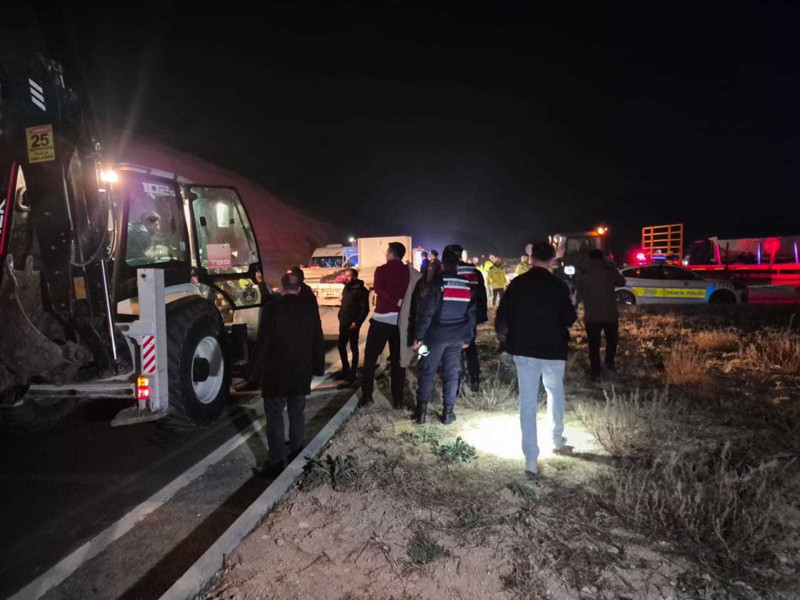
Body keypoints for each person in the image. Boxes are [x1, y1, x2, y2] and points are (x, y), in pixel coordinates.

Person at [495, 241, 577, 478]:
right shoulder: (559, 286)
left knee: (528, 403)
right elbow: (569, 320)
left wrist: (505, 343)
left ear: (530, 259)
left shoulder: (518, 284)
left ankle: (531, 459)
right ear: (552, 260)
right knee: (555, 392)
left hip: (525, 349)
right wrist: (572, 303)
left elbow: (503, 319)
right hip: (554, 349)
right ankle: (557, 439)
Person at [257, 273, 325, 479]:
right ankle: (296, 454)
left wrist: (253, 370)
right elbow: (318, 341)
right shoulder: (309, 310)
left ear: (281, 288)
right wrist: (318, 367)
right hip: (300, 371)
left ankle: (276, 462)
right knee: (297, 413)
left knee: (275, 416)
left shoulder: (272, 310)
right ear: (300, 288)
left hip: (275, 372)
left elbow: (263, 342)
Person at [413, 249, 476, 424]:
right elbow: (471, 315)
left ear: (442, 265)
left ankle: (421, 413)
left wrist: (418, 337)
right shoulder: (466, 284)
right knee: (452, 374)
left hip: (435, 338)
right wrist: (468, 339)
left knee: (427, 371)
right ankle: (448, 413)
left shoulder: (437, 283)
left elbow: (426, 313)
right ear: (457, 265)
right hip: (457, 338)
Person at [359, 242, 410, 409]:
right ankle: (398, 401)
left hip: (381, 319)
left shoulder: (381, 270)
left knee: (370, 358)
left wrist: (392, 300)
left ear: (391, 253)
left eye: (387, 252)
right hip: (400, 321)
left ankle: (367, 397)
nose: (386, 255)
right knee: (397, 361)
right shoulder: (408, 271)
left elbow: (378, 289)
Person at [575, 249, 626, 381]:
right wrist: (612, 265)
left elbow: (577, 296)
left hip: (591, 316)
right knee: (612, 341)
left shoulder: (583, 274)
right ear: (602, 258)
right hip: (610, 315)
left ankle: (595, 372)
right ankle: (609, 365)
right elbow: (622, 282)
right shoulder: (609, 271)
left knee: (593, 345)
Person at [444, 243, 487, 392]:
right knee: (471, 347)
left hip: (453, 316)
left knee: (454, 350)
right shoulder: (474, 271)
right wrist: (480, 316)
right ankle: (475, 379)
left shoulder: (449, 271)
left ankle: (457, 382)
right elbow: (482, 295)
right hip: (471, 317)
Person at [337, 268, 370, 383]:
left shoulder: (361, 290)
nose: (346, 278)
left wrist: (357, 322)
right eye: (345, 275)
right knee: (341, 346)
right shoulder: (347, 287)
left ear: (355, 277)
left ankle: (353, 371)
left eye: (349, 276)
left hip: (353, 324)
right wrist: (340, 315)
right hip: (344, 322)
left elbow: (365, 309)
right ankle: (345, 369)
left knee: (353, 347)